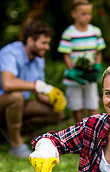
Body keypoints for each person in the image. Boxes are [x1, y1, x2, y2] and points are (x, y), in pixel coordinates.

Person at [0, 20, 67, 158]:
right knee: (16, 96)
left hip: (19, 106)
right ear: (30, 40)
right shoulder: (10, 53)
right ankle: (16, 144)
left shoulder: (38, 59)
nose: (47, 47)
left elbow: (38, 92)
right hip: (4, 101)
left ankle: (17, 131)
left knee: (56, 112)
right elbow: (7, 83)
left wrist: (52, 96)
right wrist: (37, 85)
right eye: (44, 43)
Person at [57, 0, 106, 123]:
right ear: (74, 14)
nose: (87, 17)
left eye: (89, 13)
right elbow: (66, 54)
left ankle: (95, 128)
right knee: (76, 105)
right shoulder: (69, 33)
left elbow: (99, 51)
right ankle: (80, 130)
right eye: (83, 14)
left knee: (93, 102)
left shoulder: (95, 31)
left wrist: (97, 65)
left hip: (90, 75)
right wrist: (71, 70)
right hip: (75, 76)